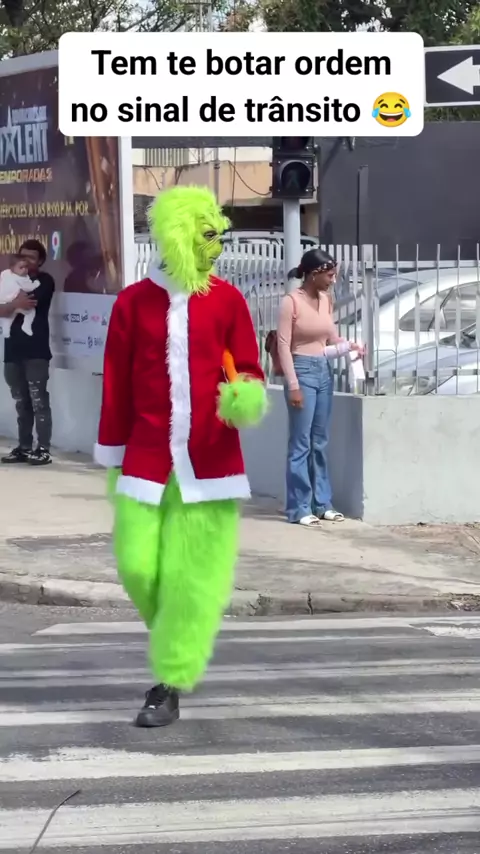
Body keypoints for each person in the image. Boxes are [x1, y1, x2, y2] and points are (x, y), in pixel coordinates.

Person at [94, 185, 267, 728]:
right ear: (178, 235)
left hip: (210, 462)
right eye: (207, 235)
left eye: (219, 235)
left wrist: (246, 395)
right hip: (143, 459)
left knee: (192, 581)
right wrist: (113, 453)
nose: (217, 245)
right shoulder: (132, 302)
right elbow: (116, 384)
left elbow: (249, 368)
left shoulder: (228, 300)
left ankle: (169, 681)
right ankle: (174, 634)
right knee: (136, 566)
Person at [277, 248, 363, 527]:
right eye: (330, 275)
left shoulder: (326, 300)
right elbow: (283, 346)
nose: (333, 280)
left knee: (319, 441)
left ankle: (322, 503)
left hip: (323, 372)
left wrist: (349, 346)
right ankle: (299, 507)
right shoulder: (291, 302)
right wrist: (293, 385)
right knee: (300, 443)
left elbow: (330, 337)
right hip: (301, 370)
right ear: (314, 274)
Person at [1, 239, 55, 467]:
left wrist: (9, 304)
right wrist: (11, 304)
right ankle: (24, 447)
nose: (26, 261)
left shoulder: (44, 281)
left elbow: (27, 302)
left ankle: (43, 449)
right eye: (22, 256)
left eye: (31, 258)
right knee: (21, 402)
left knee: (38, 400)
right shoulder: (7, 278)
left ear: (40, 261)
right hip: (12, 350)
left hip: (36, 351)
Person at [0, 254, 39, 338]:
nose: (24, 270)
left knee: (9, 318)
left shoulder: (5, 273)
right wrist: (36, 284)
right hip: (11, 301)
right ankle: (26, 326)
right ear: (12, 268)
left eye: (26, 267)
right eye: (21, 267)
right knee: (31, 312)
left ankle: (6, 331)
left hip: (4, 301)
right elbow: (28, 287)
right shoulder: (21, 278)